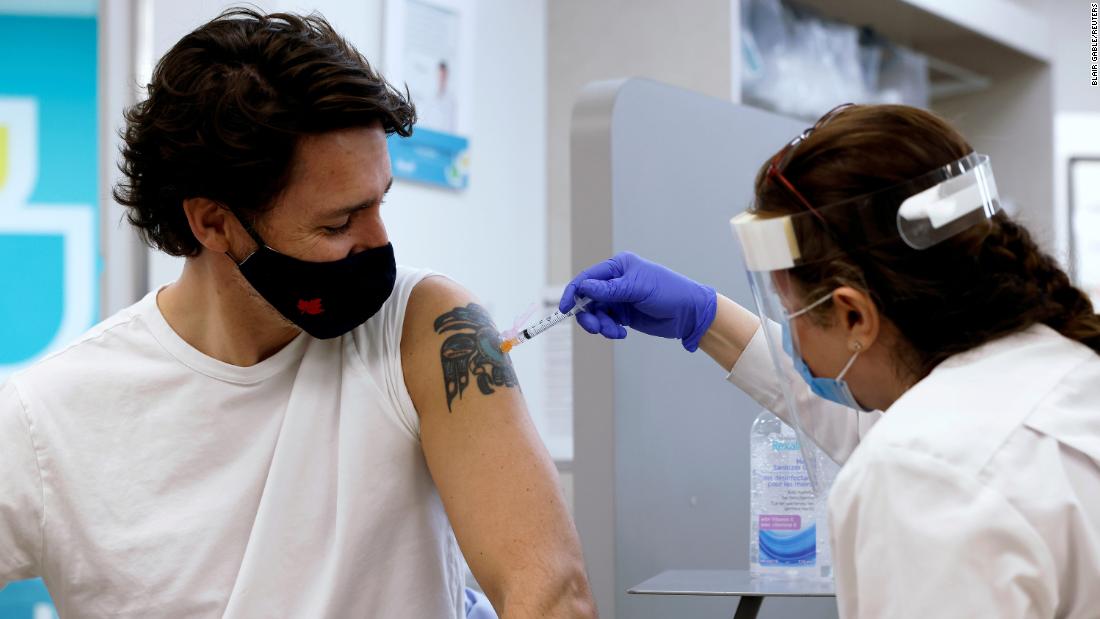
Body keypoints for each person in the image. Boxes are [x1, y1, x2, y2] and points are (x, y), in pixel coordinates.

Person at [0, 10, 595, 619]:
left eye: (379, 203)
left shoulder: (424, 329)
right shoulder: (46, 419)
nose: (378, 241)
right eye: (338, 223)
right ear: (213, 222)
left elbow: (550, 595)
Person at [560, 104, 1100, 618]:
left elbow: (917, 452)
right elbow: (892, 421)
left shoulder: (924, 474)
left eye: (792, 308)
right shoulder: (1061, 367)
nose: (790, 334)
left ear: (853, 316)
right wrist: (706, 319)